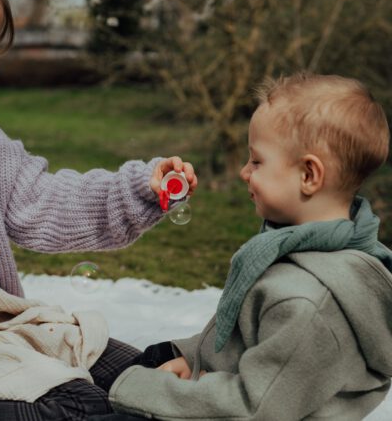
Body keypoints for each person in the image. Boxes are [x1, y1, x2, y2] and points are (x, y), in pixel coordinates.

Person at [92, 72, 392, 421]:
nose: (243, 172)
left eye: (257, 161)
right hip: (219, 395)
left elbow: (255, 409)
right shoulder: (296, 253)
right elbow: (246, 341)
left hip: (234, 410)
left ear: (309, 175)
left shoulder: (309, 304)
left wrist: (145, 389)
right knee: (146, 359)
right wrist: (187, 356)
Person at [0, 0, 197, 419]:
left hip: (5, 332)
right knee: (85, 407)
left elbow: (48, 201)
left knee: (148, 374)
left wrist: (141, 186)